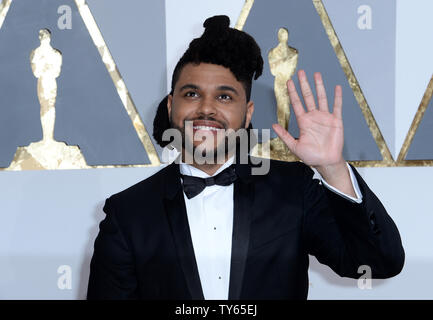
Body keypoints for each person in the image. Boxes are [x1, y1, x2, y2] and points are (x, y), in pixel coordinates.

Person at [87, 15, 404, 300]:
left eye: (224, 96)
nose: (207, 108)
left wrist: (333, 169)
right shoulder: (128, 213)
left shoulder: (294, 189)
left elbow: (377, 262)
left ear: (248, 113)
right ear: (171, 107)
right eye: (191, 94)